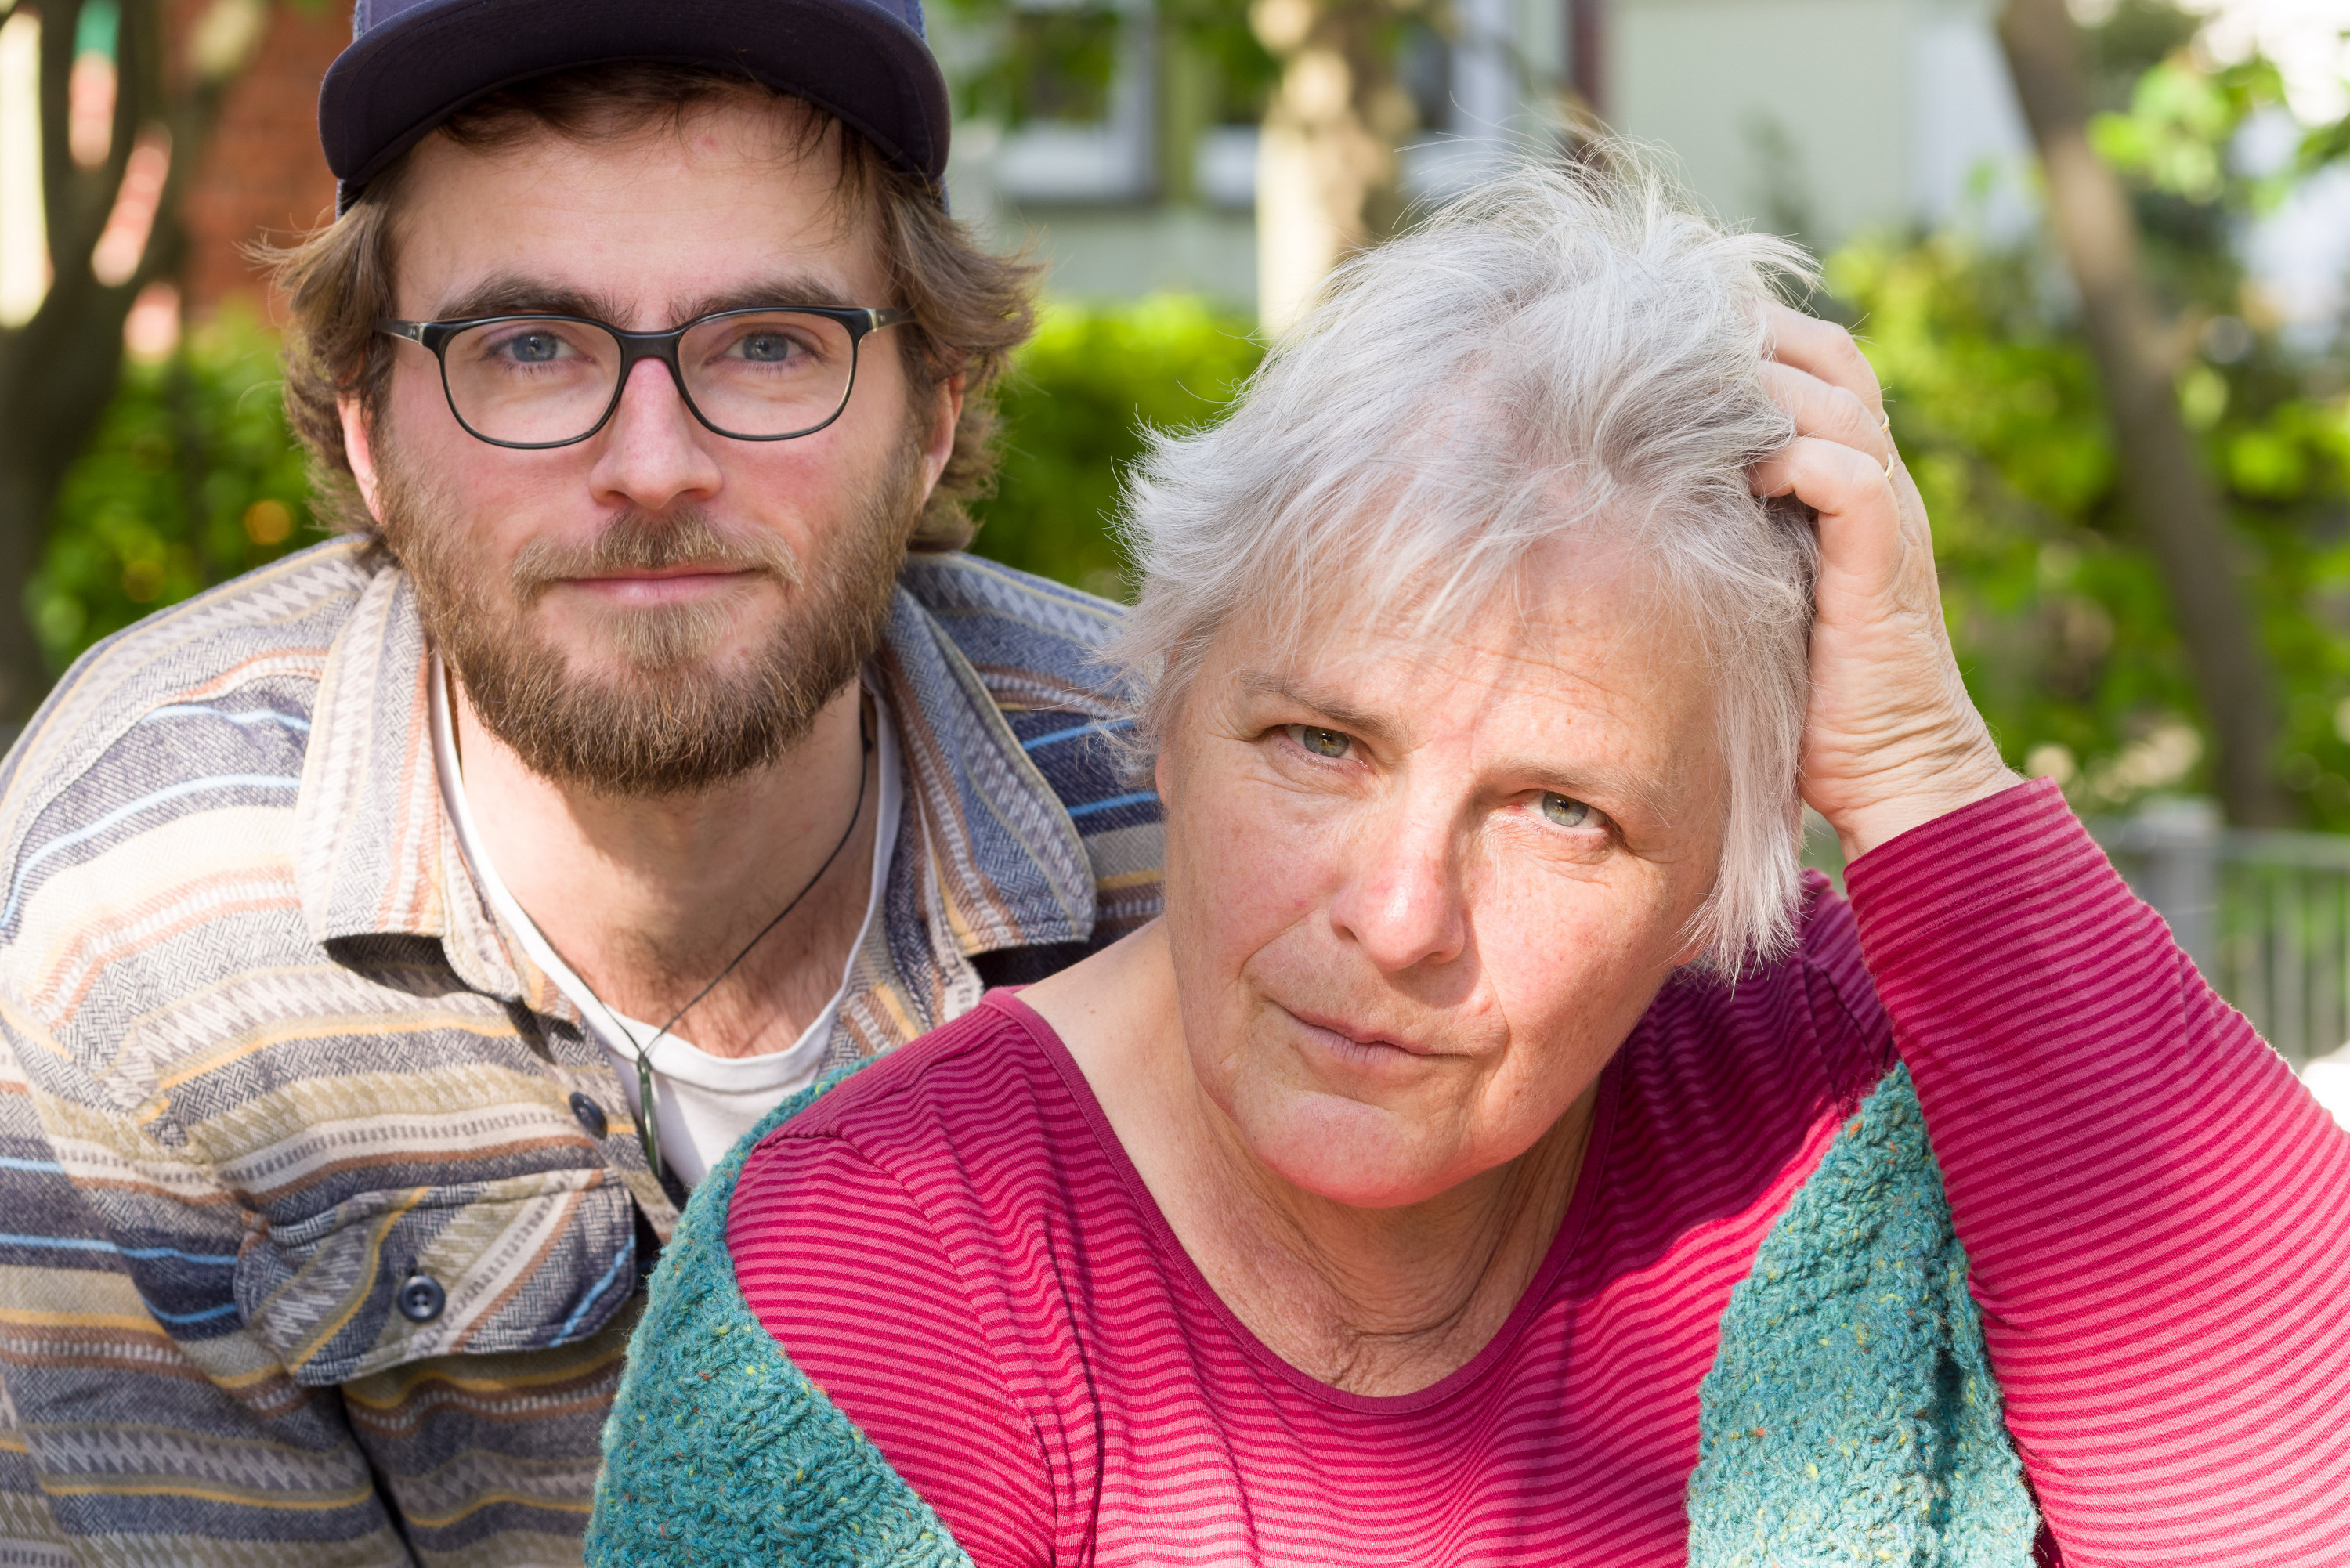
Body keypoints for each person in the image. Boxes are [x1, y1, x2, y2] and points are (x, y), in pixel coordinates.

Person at [594, 160, 2350, 1566]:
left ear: (1715, 887)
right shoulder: (880, 1272)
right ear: (1168, 704)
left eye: (1563, 810)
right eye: (1319, 744)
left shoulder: (1832, 1073)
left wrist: (1916, 771)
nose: (1399, 916)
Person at [0, 0, 1161, 1559]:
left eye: (767, 343)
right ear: (366, 422)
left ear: (933, 403)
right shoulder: (136, 930)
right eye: (531, 347)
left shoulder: (1190, 833)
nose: (655, 459)